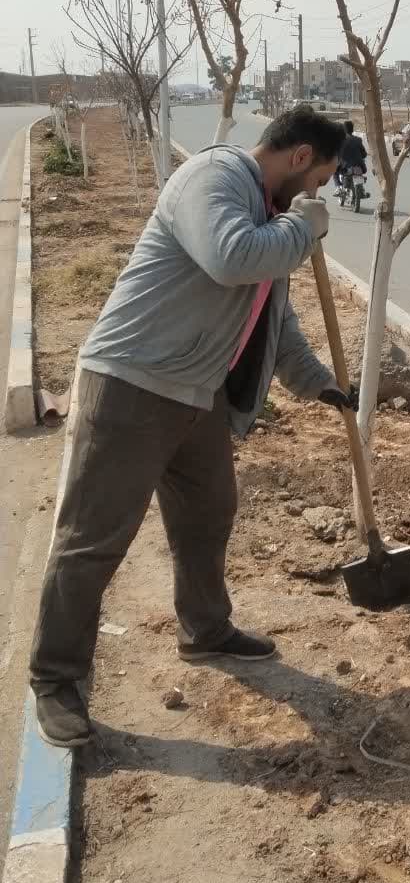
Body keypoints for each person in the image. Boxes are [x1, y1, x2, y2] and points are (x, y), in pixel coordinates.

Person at [30, 105, 357, 748]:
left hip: (195, 393)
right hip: (131, 382)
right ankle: (56, 678)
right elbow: (231, 260)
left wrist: (318, 382)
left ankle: (204, 629)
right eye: (319, 178)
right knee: (94, 538)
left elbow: (273, 317)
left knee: (209, 513)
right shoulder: (215, 178)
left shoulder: (271, 215)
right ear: (297, 158)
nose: (318, 192)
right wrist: (302, 226)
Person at [334, 119, 369, 200]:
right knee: (360, 175)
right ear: (352, 129)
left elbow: (337, 152)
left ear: (344, 130)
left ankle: (338, 188)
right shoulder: (358, 140)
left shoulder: (341, 140)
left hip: (345, 167)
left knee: (334, 171)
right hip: (359, 166)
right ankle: (362, 190)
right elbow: (364, 154)